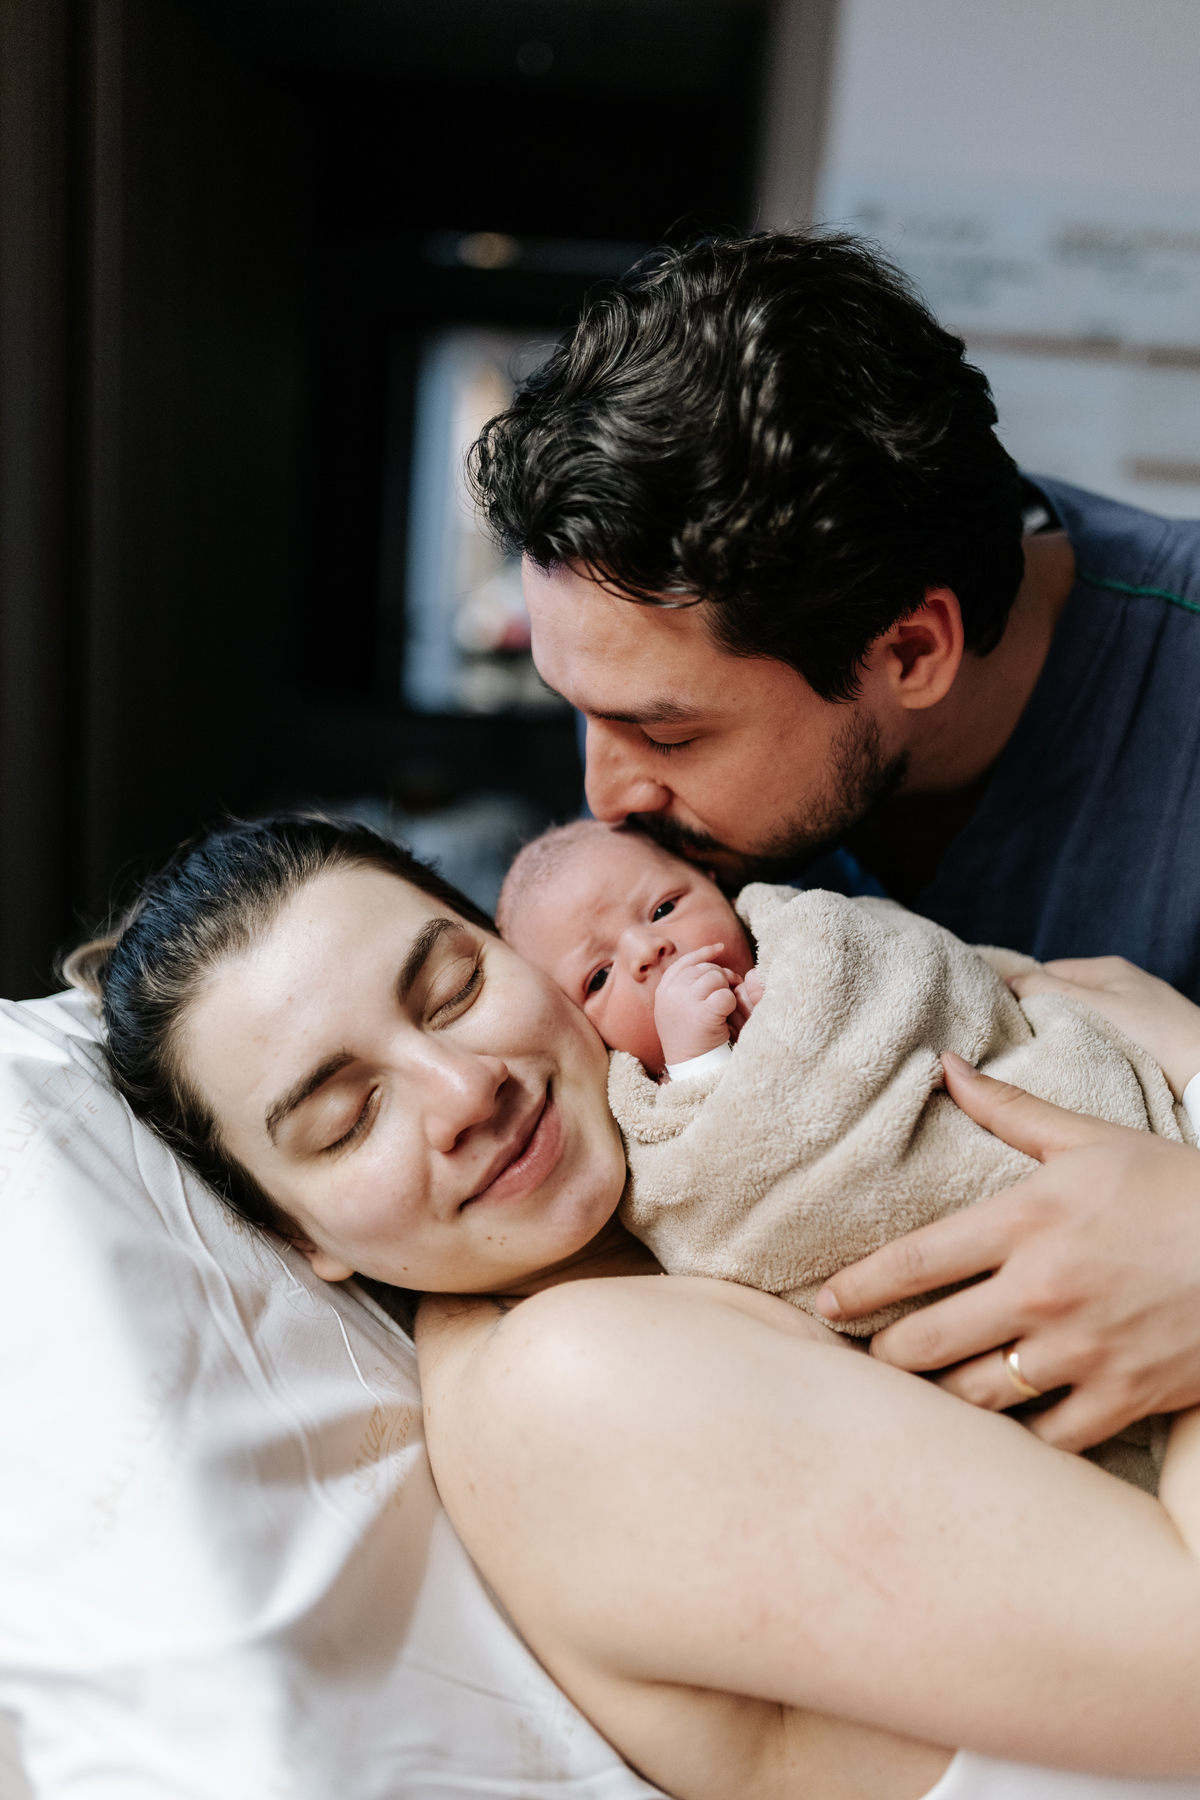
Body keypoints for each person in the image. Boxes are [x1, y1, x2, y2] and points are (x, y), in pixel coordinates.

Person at [66, 816, 1200, 1800]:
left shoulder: (695, 1205)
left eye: (457, 990)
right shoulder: (568, 1380)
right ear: (300, 1236)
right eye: (347, 1121)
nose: (466, 1090)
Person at [467, 228, 1200, 1458]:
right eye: (577, 711)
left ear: (912, 651)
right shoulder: (670, 807)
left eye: (666, 732)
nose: (604, 795)